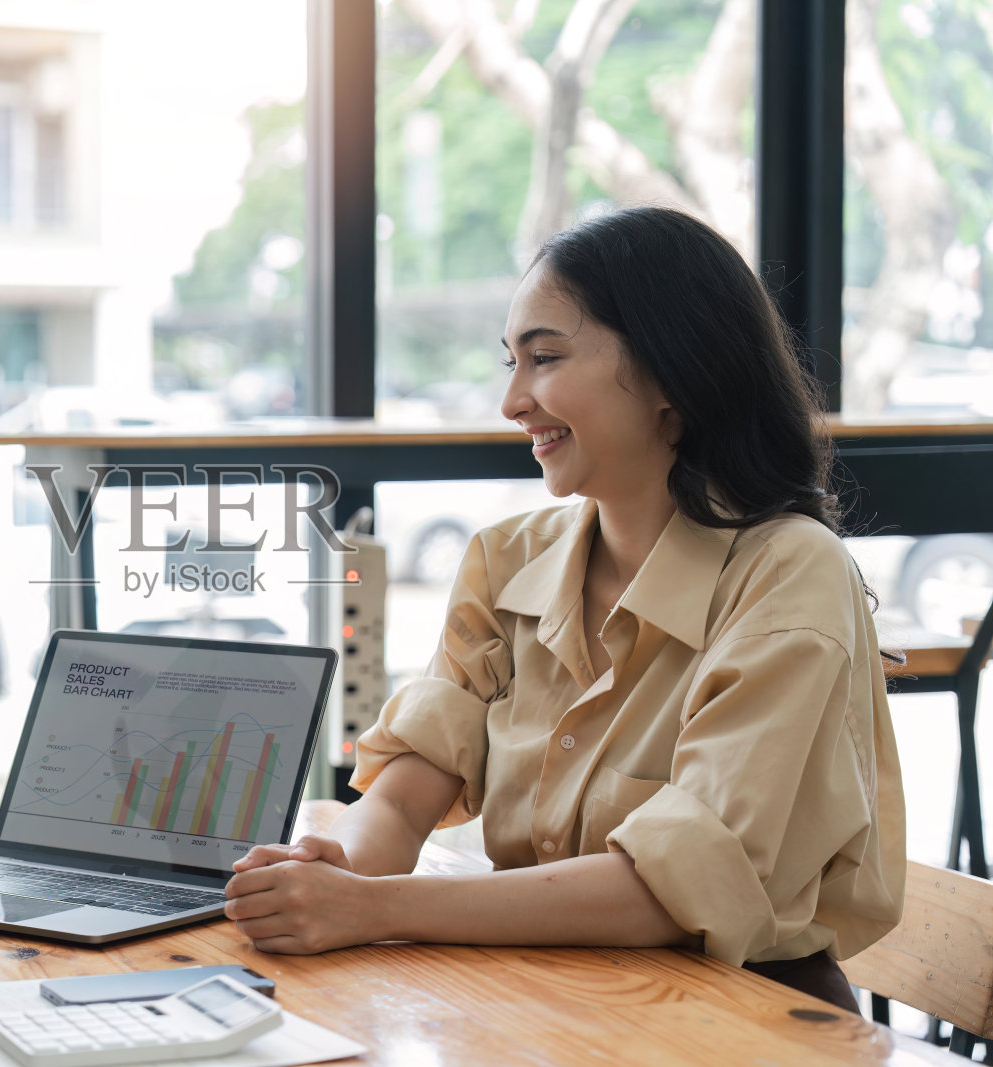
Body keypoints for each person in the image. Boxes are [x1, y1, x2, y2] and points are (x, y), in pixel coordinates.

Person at [223, 206, 906, 1012]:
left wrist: (372, 909)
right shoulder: (505, 559)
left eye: (543, 358)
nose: (513, 400)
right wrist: (323, 868)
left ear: (672, 375)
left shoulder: (789, 572)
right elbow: (404, 799)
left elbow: (672, 888)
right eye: (510, 362)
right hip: (544, 992)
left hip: (742, 1013)